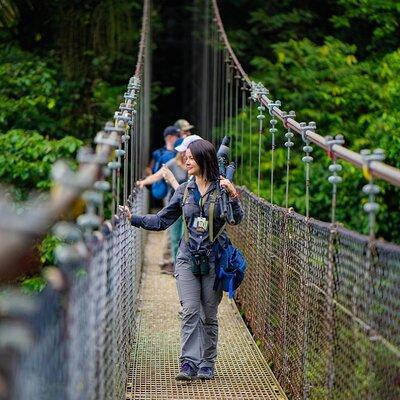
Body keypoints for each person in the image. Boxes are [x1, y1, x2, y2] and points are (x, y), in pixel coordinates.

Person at [120, 139, 244, 381]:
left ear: (204, 160)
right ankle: (188, 363)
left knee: (208, 315)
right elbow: (161, 221)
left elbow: (236, 220)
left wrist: (233, 194)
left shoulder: (221, 190)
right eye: (185, 157)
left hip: (213, 259)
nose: (186, 161)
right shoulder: (184, 191)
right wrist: (133, 218)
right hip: (187, 258)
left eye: (191, 157)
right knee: (189, 311)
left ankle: (207, 362)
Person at [136, 135, 204, 273]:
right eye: (183, 151)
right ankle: (176, 265)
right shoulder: (173, 163)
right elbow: (158, 175)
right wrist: (143, 182)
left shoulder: (197, 166)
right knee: (174, 237)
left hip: (191, 207)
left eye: (187, 151)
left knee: (186, 237)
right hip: (176, 204)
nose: (184, 154)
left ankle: (188, 267)